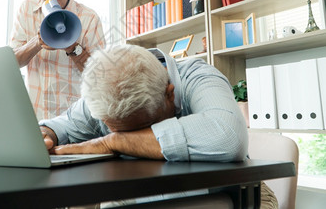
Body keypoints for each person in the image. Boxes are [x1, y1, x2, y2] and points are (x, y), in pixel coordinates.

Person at [39, 44, 278, 208]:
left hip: (233, 193)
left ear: (169, 95)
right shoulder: (106, 89)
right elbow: (63, 126)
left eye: (141, 129)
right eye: (115, 130)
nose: (129, 138)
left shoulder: (199, 76)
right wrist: (46, 134)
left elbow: (227, 137)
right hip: (143, 192)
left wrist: (113, 141)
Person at [10, 0, 105, 120]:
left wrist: (72, 47)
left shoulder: (89, 18)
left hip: (75, 122)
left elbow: (99, 77)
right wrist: (38, 41)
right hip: (35, 117)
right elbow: (12, 62)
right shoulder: (26, 10)